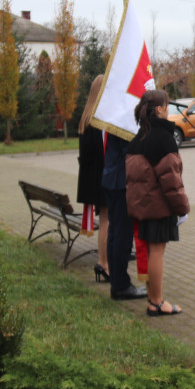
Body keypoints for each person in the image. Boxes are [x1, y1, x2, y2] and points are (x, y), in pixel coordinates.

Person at [126, 89, 189, 316]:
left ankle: (154, 299)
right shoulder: (163, 138)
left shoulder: (138, 137)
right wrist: (182, 209)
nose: (169, 109)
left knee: (153, 252)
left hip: (144, 207)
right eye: (168, 105)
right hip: (159, 208)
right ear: (160, 109)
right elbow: (172, 181)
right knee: (157, 253)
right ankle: (157, 302)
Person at [102, 123, 148, 301]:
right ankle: (121, 286)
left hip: (111, 179)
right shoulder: (123, 124)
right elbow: (130, 153)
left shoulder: (115, 119)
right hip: (121, 183)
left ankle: (117, 282)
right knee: (122, 236)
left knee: (115, 234)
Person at [77, 75, 110, 282]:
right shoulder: (100, 122)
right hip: (102, 180)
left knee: (106, 220)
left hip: (91, 180)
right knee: (107, 221)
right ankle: (104, 263)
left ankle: (104, 262)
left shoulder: (86, 119)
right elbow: (103, 154)